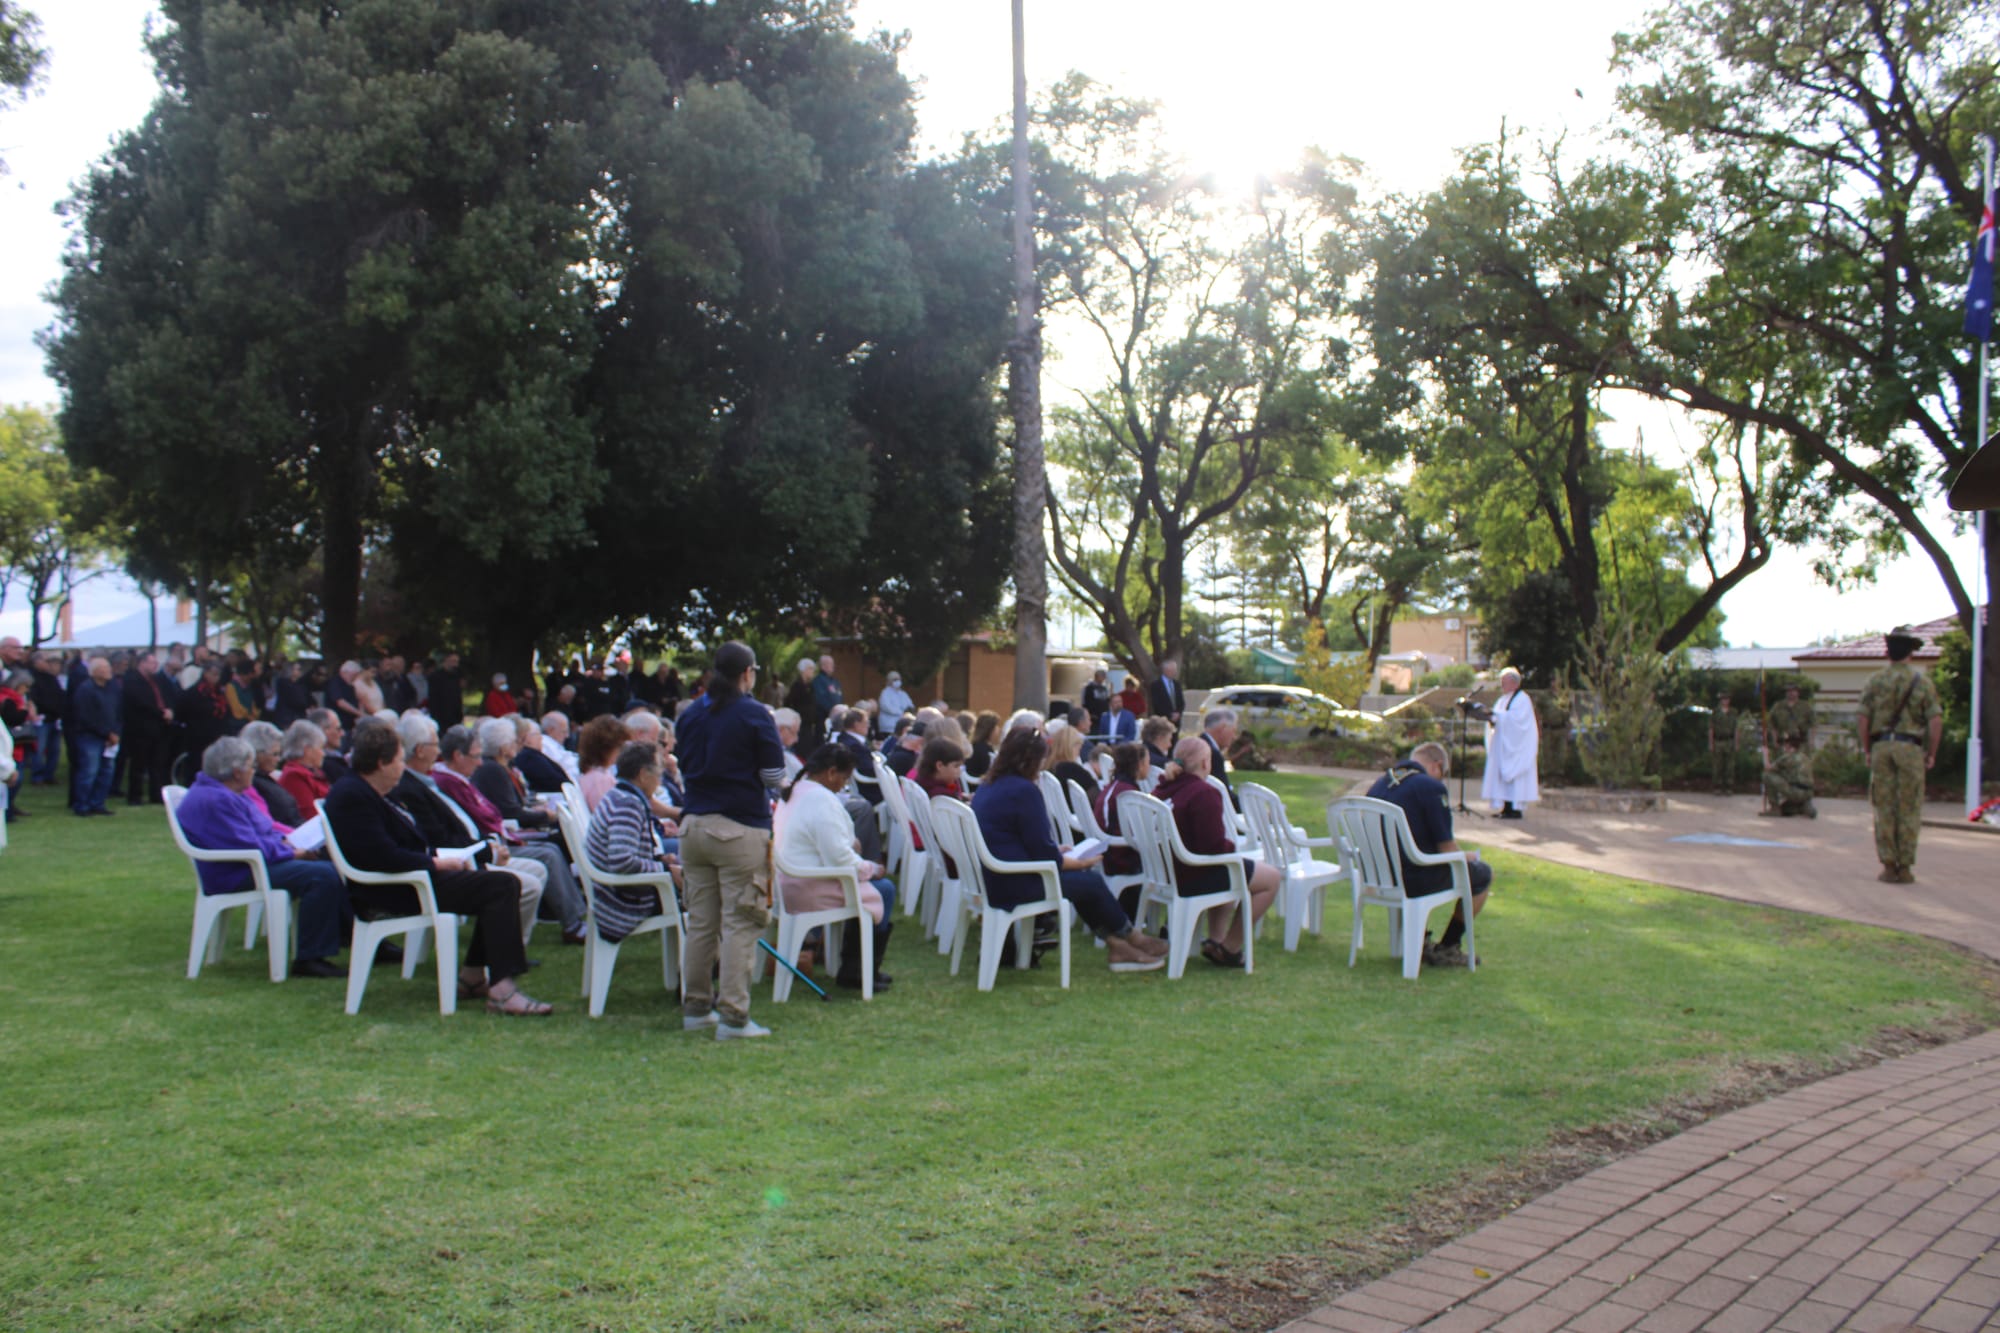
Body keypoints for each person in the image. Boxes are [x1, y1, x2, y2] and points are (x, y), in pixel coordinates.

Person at [321, 722, 551, 1014]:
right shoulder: (353, 795)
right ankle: (502, 989)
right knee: (502, 885)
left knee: (498, 883)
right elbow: (381, 856)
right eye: (399, 760)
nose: (402, 767)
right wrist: (435, 863)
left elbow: (400, 845)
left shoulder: (372, 791)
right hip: (393, 887)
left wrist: (441, 859)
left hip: (408, 877)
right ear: (381, 763)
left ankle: (473, 978)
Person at [970, 727, 1168, 973]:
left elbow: (1020, 839)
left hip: (997, 876)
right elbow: (1046, 856)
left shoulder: (989, 785)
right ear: (1031, 760)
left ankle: (1120, 944)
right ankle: (1130, 939)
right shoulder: (1024, 791)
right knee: (1090, 882)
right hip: (1016, 881)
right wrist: (1079, 861)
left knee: (1084, 883)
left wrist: (1060, 852)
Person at [676, 641, 788, 1039]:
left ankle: (695, 1008)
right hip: (739, 826)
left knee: (701, 923)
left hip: (692, 827)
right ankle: (734, 1016)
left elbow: (683, 766)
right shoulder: (754, 713)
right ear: (748, 673)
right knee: (742, 921)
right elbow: (774, 775)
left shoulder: (690, 715)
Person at [174, 736, 354, 978]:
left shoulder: (225, 792)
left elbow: (261, 829)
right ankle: (311, 957)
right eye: (251, 766)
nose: (253, 772)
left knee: (328, 866)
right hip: (235, 873)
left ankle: (345, 935)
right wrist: (293, 851)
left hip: (248, 864)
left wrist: (286, 842)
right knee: (322, 875)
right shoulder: (218, 799)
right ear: (237, 772)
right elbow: (248, 845)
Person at [395, 718, 548, 945]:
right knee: (527, 884)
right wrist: (487, 851)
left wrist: (489, 845)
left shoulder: (427, 781)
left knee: (537, 870)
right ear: (419, 750)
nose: (439, 752)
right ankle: (501, 954)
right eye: (434, 745)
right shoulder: (413, 787)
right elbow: (440, 839)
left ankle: (509, 949)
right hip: (455, 863)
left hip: (470, 852)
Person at [774, 743, 895, 991]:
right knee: (884, 889)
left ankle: (858, 967)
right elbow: (838, 857)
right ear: (831, 773)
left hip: (789, 882)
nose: (844, 784)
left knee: (875, 887)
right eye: (844, 778)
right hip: (809, 885)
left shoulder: (797, 792)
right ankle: (858, 971)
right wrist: (871, 868)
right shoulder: (821, 800)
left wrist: (851, 846)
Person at [1150, 738, 1279, 967]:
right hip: (1193, 873)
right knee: (1270, 878)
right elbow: (1214, 847)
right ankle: (1230, 946)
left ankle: (1215, 940)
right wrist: (1233, 848)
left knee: (1233, 867)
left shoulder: (1162, 788)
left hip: (1166, 871)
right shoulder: (1203, 793)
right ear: (1205, 763)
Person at [1365, 741, 1492, 967]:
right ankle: (1449, 946)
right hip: (1414, 879)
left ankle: (1421, 942)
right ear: (1437, 766)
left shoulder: (1379, 785)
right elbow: (1447, 848)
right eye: (1443, 774)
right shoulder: (1430, 787)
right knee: (1480, 873)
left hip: (1379, 876)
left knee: (1423, 863)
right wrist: (1468, 857)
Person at [1858, 625, 1944, 884]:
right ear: (1911, 653)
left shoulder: (1875, 681)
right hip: (1910, 747)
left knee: (1884, 807)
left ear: (1887, 653)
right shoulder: (1922, 682)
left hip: (1882, 746)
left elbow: (1863, 719)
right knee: (1908, 807)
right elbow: (1935, 720)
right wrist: (1931, 752)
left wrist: (1867, 749)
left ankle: (1887, 866)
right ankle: (1905, 867)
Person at [583, 741, 680, 945]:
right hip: (622, 904)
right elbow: (621, 861)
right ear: (643, 774)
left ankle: (695, 963)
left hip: (616, 895)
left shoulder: (619, 795)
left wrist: (660, 859)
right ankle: (705, 965)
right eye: (659, 772)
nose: (660, 779)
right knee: (706, 892)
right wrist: (666, 868)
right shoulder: (627, 804)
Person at [1093, 742, 1150, 914]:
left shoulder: (1112, 787)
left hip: (1107, 854)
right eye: (1148, 762)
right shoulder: (1128, 794)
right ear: (1139, 765)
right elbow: (1139, 831)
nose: (1149, 766)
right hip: (1121, 858)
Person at [471, 717, 554, 831]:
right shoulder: (493, 770)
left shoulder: (495, 766)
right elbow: (511, 813)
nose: (518, 745)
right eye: (515, 741)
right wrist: (546, 816)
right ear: (504, 747)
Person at [1480, 668, 1539, 819]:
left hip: (1516, 747)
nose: (1502, 685)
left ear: (1514, 683)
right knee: (1501, 776)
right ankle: (1505, 807)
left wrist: (1498, 717)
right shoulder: (1502, 700)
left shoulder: (1522, 699)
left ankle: (1515, 808)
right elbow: (1499, 717)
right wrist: (1491, 718)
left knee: (1515, 778)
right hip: (1502, 747)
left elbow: (1519, 722)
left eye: (1504, 682)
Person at [68, 655, 122, 817]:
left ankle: (98, 803)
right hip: (90, 737)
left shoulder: (112, 689)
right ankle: (82, 804)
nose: (109, 670)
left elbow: (118, 712)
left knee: (106, 771)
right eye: (104, 668)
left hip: (110, 737)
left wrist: (116, 732)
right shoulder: (85, 690)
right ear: (94, 671)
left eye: (108, 667)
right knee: (89, 771)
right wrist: (106, 733)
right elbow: (86, 717)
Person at [120, 651, 174, 806]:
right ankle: (134, 796)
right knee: (138, 763)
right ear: (142, 663)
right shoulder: (132, 680)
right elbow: (139, 702)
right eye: (151, 662)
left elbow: (168, 696)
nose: (155, 665)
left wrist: (170, 710)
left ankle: (156, 793)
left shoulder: (158, 680)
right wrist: (160, 712)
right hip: (140, 728)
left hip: (159, 728)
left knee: (157, 763)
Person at [239, 720, 301, 827]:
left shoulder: (265, 777)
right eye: (275, 754)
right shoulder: (249, 783)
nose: (279, 759)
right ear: (256, 753)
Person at [275, 720, 334, 815]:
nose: (323, 754)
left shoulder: (314, 772)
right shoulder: (294, 776)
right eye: (321, 748)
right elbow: (310, 814)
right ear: (308, 750)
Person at [575, 714, 631, 811]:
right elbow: (607, 815)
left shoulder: (594, 775)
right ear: (606, 748)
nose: (622, 751)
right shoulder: (600, 780)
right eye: (620, 746)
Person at [27, 651, 65, 788]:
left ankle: (49, 774)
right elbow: (35, 698)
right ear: (36, 662)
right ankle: (37, 776)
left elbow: (59, 695)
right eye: (45, 661)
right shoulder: (32, 678)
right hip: (42, 718)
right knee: (39, 749)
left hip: (54, 719)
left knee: (54, 749)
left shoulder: (52, 678)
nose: (49, 664)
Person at [510, 716, 570, 794]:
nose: (541, 738)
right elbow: (555, 780)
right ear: (526, 738)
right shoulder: (529, 757)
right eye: (537, 734)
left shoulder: (532, 755)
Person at [1046, 721, 1098, 807]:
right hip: (1077, 814)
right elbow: (1096, 794)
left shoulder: (1049, 767)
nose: (1078, 752)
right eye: (1078, 746)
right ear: (1070, 746)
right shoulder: (1070, 769)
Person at [1761, 740, 1818, 819]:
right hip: (1808, 792)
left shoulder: (1788, 757)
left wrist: (1765, 754)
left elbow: (1768, 768)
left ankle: (1774, 808)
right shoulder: (1805, 758)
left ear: (1789, 746)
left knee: (1767, 775)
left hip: (1795, 791)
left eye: (1785, 746)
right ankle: (1803, 806)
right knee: (1786, 809)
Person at [1198, 707, 1238, 806]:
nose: (1234, 737)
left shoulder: (1198, 744)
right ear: (1223, 728)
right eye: (1233, 731)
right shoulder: (1212, 753)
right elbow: (1225, 795)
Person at [1709, 694, 1744, 795]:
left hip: (1729, 741)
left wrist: (1737, 743)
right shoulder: (1715, 712)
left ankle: (1729, 787)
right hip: (1718, 740)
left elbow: (1737, 728)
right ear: (1720, 700)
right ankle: (1717, 787)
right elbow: (1711, 729)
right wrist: (1711, 743)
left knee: (1729, 766)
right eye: (1723, 699)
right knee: (1717, 766)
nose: (1725, 701)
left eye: (1727, 699)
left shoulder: (1733, 712)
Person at [1767, 683, 1814, 752]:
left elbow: (1813, 724)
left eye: (1793, 691)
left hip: (1801, 743)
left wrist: (1811, 741)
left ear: (1798, 692)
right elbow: (1772, 725)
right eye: (1788, 691)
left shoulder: (1805, 706)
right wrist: (1774, 740)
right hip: (1783, 742)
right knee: (1782, 761)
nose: (1790, 693)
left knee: (1800, 762)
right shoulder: (1778, 706)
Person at [1146, 658, 1186, 732]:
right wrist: (1169, 715)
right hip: (1162, 722)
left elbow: (1181, 702)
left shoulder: (1177, 684)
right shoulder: (1156, 685)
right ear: (1166, 670)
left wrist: (1178, 713)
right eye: (1173, 670)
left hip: (1176, 723)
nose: (1175, 672)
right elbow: (1156, 703)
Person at [429, 652, 465, 729]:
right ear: (446, 660)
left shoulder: (456, 676)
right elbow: (433, 698)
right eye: (453, 661)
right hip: (441, 715)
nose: (455, 664)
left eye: (457, 662)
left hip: (455, 716)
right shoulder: (435, 676)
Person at [811, 654, 843, 736]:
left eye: (833, 664)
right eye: (830, 664)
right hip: (823, 719)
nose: (833, 666)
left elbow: (840, 697)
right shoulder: (818, 681)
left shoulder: (835, 681)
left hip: (837, 720)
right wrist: (832, 711)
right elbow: (820, 699)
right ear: (823, 666)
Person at [965, 710, 1001, 779]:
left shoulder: (973, 746)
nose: (998, 729)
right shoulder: (985, 751)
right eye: (996, 726)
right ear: (990, 729)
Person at [876, 671, 913, 736]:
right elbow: (886, 707)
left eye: (899, 679)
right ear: (889, 681)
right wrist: (900, 712)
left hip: (902, 726)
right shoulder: (885, 693)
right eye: (895, 679)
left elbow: (910, 706)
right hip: (888, 727)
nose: (897, 681)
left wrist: (908, 711)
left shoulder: (903, 694)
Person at [1081, 668, 1111, 735]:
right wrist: (1090, 714)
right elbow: (1084, 702)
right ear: (1097, 676)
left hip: (1103, 717)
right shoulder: (1088, 688)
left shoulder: (1104, 688)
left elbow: (1107, 700)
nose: (1104, 678)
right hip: (1093, 718)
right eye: (1102, 676)